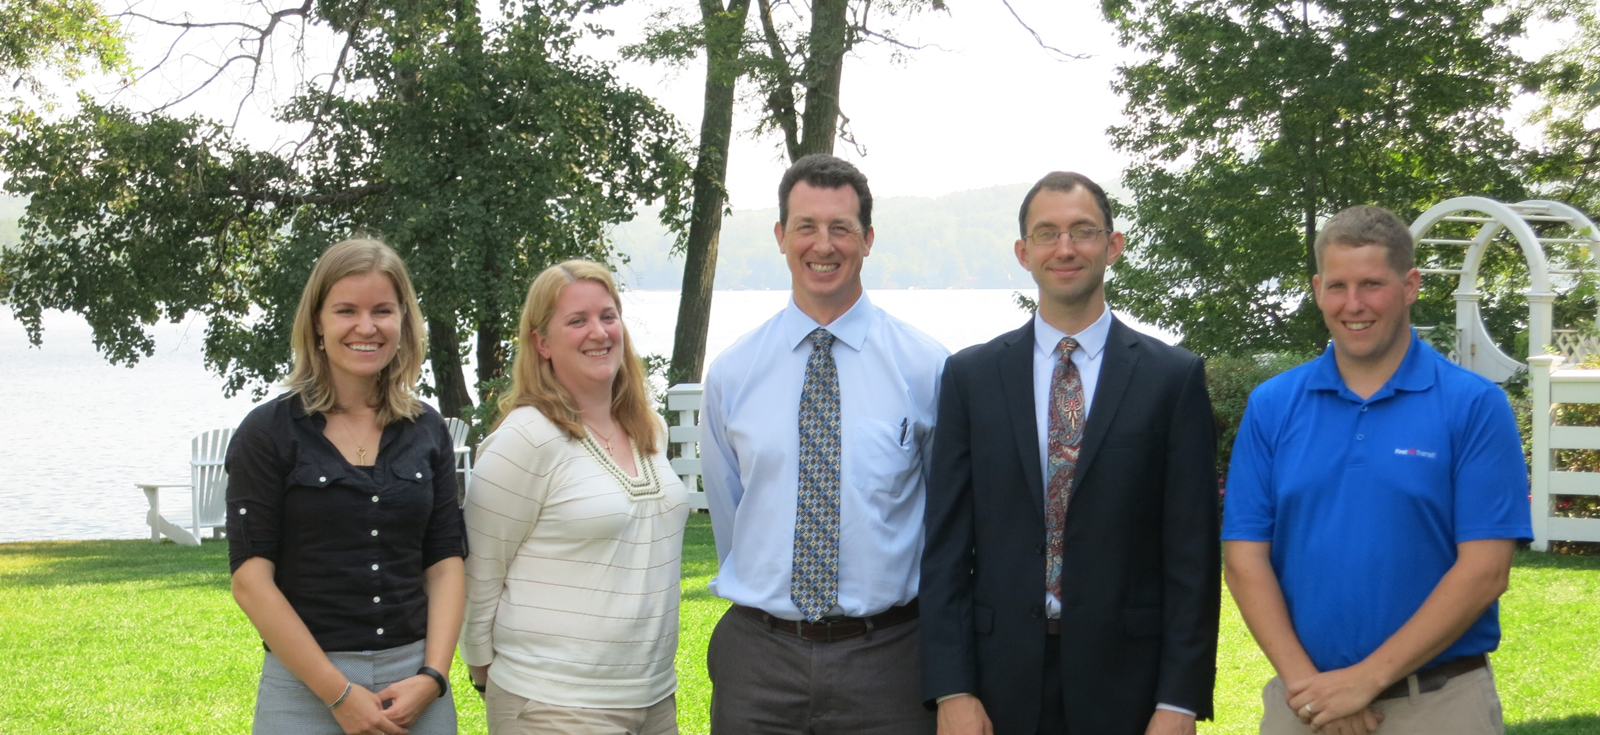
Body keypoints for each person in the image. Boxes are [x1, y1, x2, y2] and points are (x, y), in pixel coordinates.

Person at [921, 171, 1220, 735]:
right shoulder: (971, 377)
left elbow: (1192, 556)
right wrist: (951, 687)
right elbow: (944, 550)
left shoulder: (1171, 379)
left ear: (1113, 245)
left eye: (1082, 232)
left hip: (1128, 685)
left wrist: (1179, 700)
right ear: (1023, 252)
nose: (1065, 248)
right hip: (996, 682)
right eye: (1047, 233)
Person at [1222, 205, 1532, 735]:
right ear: (1318, 289)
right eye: (1337, 286)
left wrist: (1363, 681)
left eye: (1372, 284)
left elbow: (1485, 571)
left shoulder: (1473, 405)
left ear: (1410, 285)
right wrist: (1316, 691)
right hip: (1303, 706)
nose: (1353, 304)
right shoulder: (1273, 405)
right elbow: (1244, 558)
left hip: (1440, 706)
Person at [699, 153, 949, 734]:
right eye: (807, 226)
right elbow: (733, 518)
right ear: (782, 236)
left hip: (889, 660)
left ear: (867, 240)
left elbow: (947, 519)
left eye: (842, 228)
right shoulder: (734, 373)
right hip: (759, 661)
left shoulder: (926, 367)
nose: (824, 244)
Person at [226, 237, 466, 735]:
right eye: (346, 310)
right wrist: (337, 693)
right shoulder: (267, 433)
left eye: (382, 310)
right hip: (303, 690)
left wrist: (434, 677)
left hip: (416, 690)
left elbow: (445, 564)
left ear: (403, 320)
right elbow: (250, 582)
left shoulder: (428, 430)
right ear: (317, 321)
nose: (366, 326)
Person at [459, 260, 690, 735]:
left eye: (608, 316)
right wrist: (482, 666)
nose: (599, 332)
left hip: (653, 699)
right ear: (541, 342)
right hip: (553, 705)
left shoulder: (650, 431)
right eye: (577, 321)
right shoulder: (524, 440)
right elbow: (480, 569)